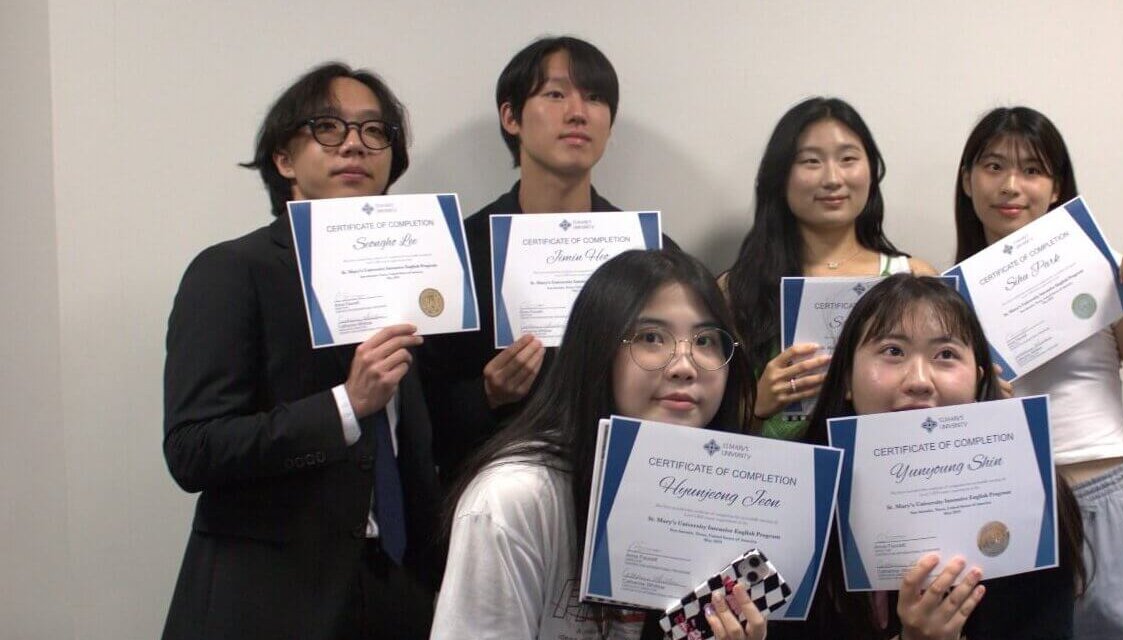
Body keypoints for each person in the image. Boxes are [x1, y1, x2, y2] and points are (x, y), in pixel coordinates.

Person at [161, 63, 444, 639]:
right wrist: (346, 404)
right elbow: (193, 449)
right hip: (268, 600)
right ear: (284, 160)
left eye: (374, 131)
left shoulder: (418, 273)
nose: (355, 146)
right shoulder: (232, 271)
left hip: (397, 591)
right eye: (328, 128)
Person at [431, 249, 763, 640]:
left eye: (706, 340)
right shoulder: (514, 498)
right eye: (651, 337)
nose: (684, 365)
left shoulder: (738, 500)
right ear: (598, 349)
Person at [953, 106, 1123, 639]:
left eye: (1032, 170)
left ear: (1056, 186)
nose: (1011, 185)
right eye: (993, 167)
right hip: (999, 521)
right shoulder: (947, 302)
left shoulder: (1103, 269)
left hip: (1099, 502)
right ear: (968, 181)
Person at [420, 35, 679, 482]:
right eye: (555, 94)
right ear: (511, 116)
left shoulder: (651, 254)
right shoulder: (455, 252)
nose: (578, 112)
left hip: (629, 487)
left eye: (595, 98)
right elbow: (418, 416)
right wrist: (488, 394)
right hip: (492, 493)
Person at [776, 274, 1086, 639]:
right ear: (846, 378)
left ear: (978, 381)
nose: (919, 380)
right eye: (893, 351)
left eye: (946, 355)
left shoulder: (1035, 503)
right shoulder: (797, 502)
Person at [723, 97, 935, 442]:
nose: (833, 178)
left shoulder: (914, 276)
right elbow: (708, 432)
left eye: (848, 159)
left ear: (871, 169)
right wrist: (758, 404)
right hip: (779, 484)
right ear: (780, 176)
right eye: (810, 161)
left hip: (893, 475)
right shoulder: (739, 288)